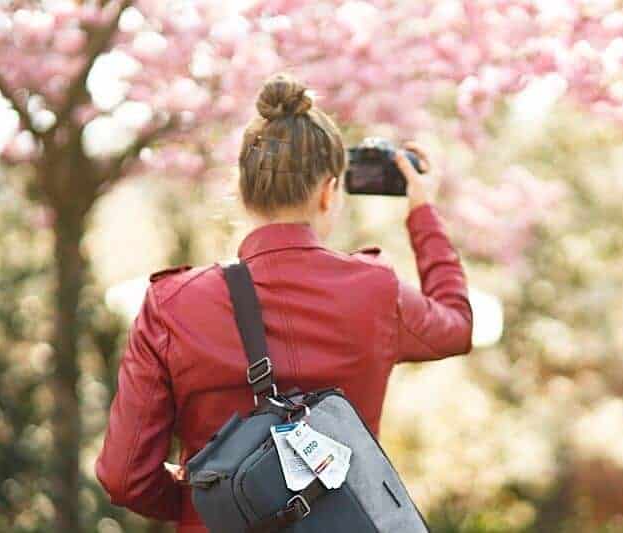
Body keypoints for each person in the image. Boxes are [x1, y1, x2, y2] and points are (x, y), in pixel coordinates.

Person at [95, 72, 473, 532]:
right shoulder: (374, 290)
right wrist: (422, 212)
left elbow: (123, 476)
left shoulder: (172, 305)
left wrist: (221, 504)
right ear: (330, 190)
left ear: (241, 188)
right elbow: (456, 324)